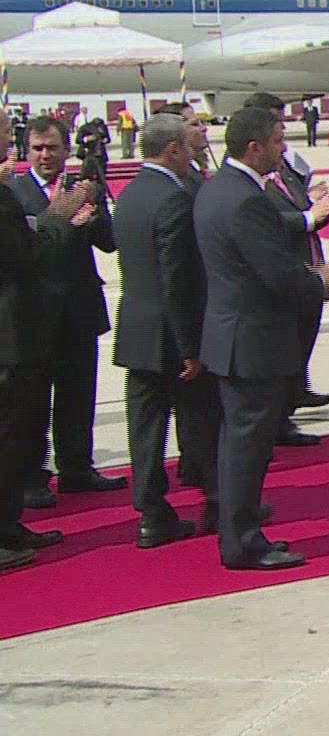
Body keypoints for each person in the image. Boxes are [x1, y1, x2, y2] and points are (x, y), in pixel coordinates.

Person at [195, 106, 329, 570]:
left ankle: (239, 531)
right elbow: (275, 272)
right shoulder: (246, 200)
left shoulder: (218, 188)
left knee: (239, 442)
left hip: (232, 336)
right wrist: (317, 281)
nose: (283, 148)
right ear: (254, 147)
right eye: (277, 140)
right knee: (247, 447)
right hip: (252, 340)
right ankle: (242, 542)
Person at [111, 113, 223, 550]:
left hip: (137, 329)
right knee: (200, 421)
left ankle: (150, 513)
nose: (193, 153)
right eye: (188, 147)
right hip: (171, 334)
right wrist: (190, 348)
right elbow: (176, 280)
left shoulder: (131, 194)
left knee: (145, 427)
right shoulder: (173, 199)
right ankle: (218, 500)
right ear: (172, 149)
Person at [10, 115, 122, 509]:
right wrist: (56, 218)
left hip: (78, 310)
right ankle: (33, 476)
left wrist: (93, 217)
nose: (45, 155)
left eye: (52, 148)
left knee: (78, 395)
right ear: (27, 152)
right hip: (33, 317)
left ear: (65, 150)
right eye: (37, 149)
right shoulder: (15, 193)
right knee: (32, 403)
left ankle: (77, 468)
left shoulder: (82, 187)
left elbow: (110, 242)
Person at [0, 145, 95, 571]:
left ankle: (9, 525)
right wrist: (57, 218)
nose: (11, 148)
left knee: (16, 439)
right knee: (6, 438)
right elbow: (24, 256)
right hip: (9, 336)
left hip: (22, 334)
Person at [243, 91, 329, 448]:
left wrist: (317, 207)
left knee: (301, 342)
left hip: (307, 262)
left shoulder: (284, 167)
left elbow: (300, 206)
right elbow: (268, 221)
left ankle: (294, 396)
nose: (282, 136)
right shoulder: (251, 178)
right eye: (276, 128)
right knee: (284, 348)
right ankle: (279, 418)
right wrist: (308, 216)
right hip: (285, 270)